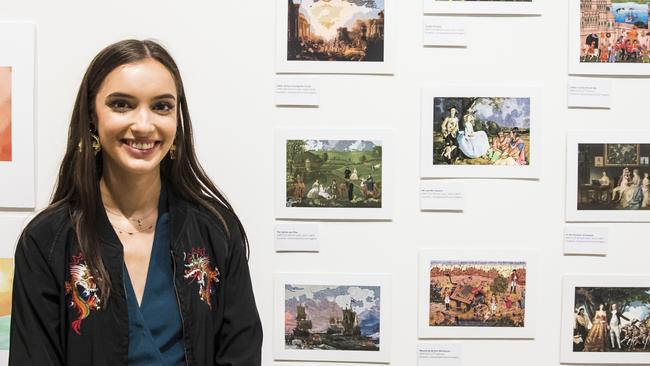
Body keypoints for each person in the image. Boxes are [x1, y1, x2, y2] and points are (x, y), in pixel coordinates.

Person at [9, 40, 262, 365]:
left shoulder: (216, 230)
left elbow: (241, 354)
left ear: (177, 118)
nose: (144, 125)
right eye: (122, 105)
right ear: (92, 115)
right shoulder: (46, 241)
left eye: (161, 107)